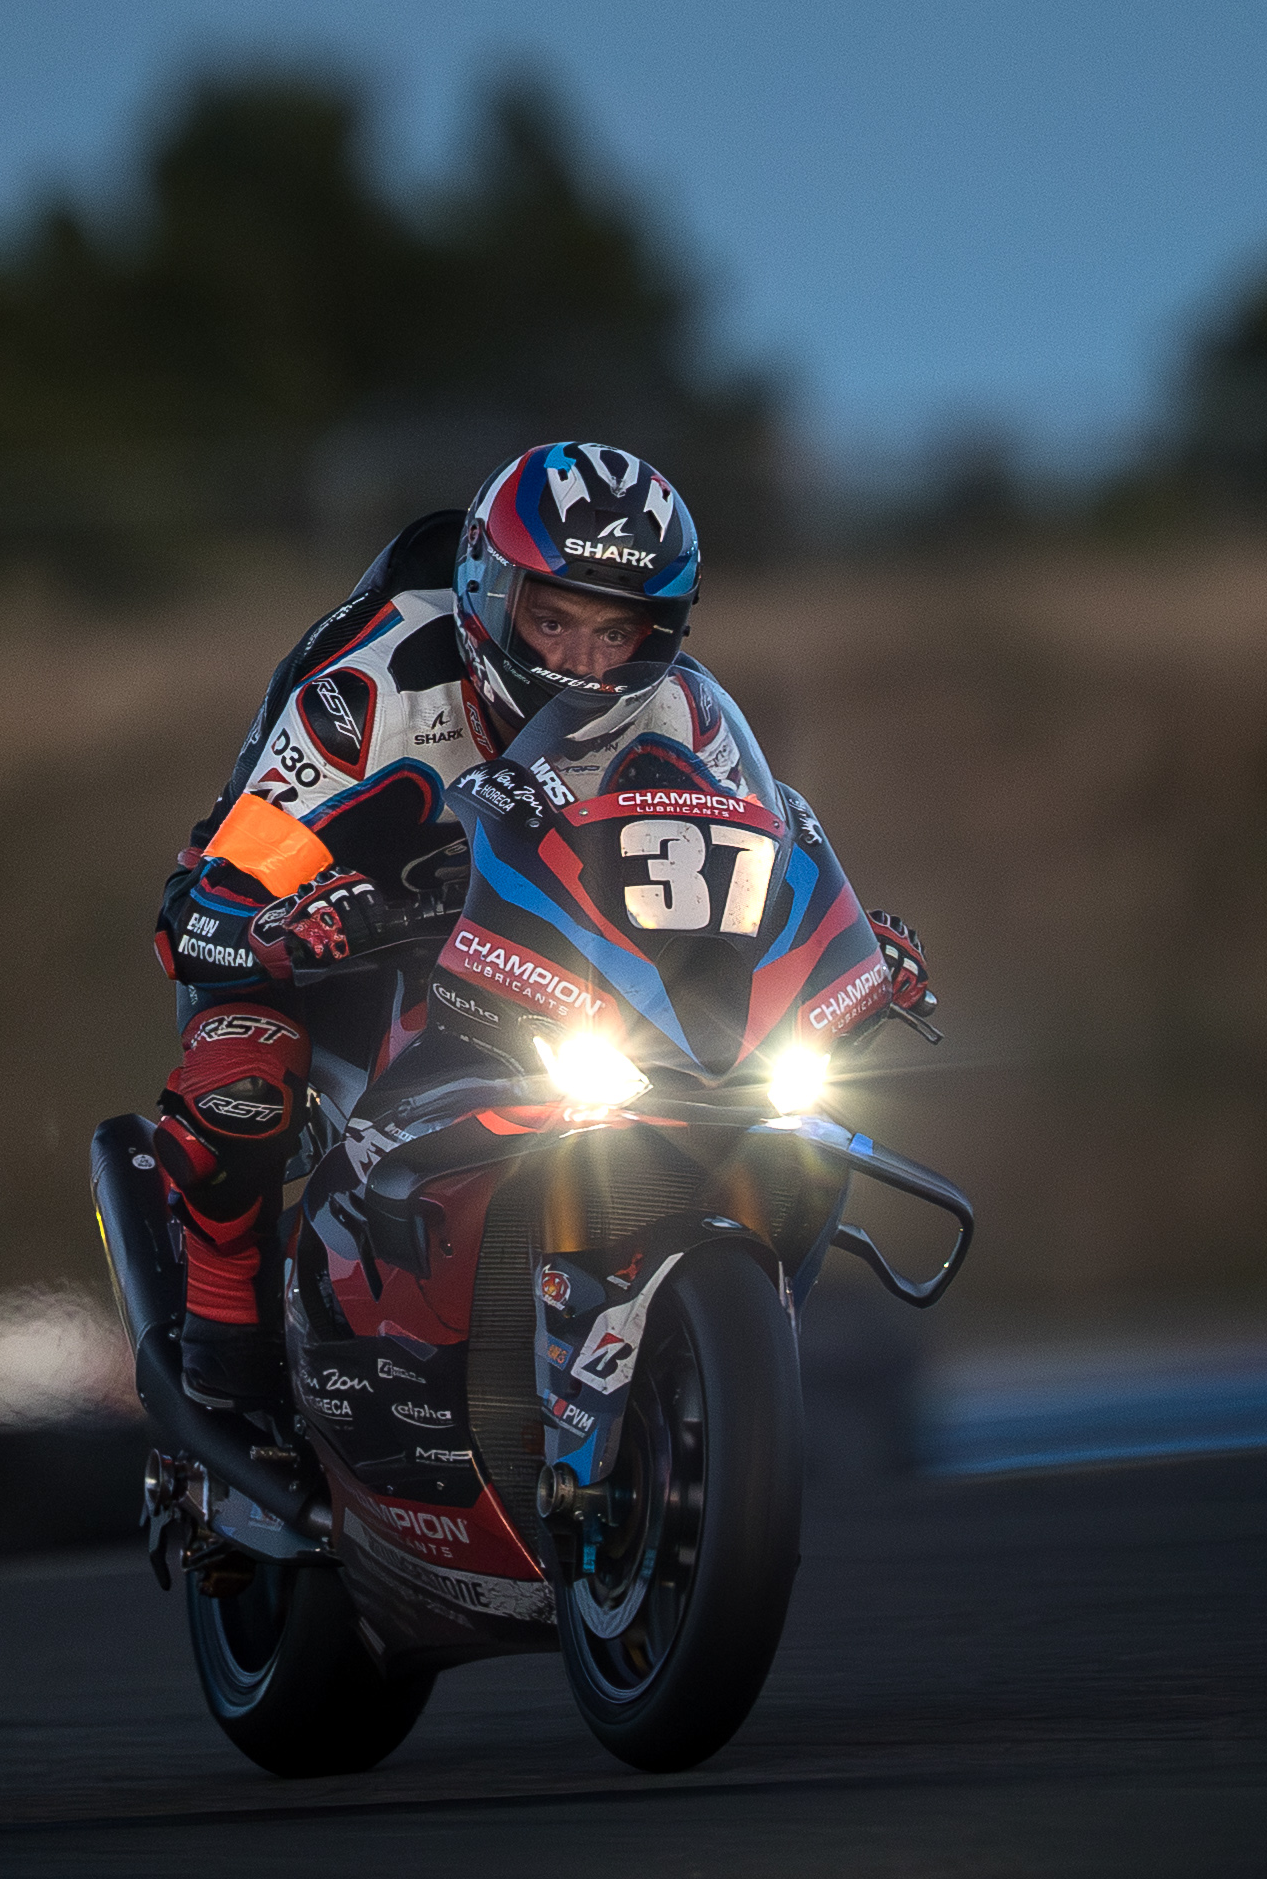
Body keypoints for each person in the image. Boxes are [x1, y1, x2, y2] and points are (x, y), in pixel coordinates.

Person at [148, 441, 932, 1411]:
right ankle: (224, 1345)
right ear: (488, 592)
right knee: (242, 1076)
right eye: (552, 619)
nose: (581, 662)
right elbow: (205, 906)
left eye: (618, 632)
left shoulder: (684, 714)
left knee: (774, 1103)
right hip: (346, 938)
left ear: (665, 630)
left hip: (541, 954)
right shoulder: (366, 695)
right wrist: (286, 925)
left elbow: (749, 869)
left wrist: (834, 948)